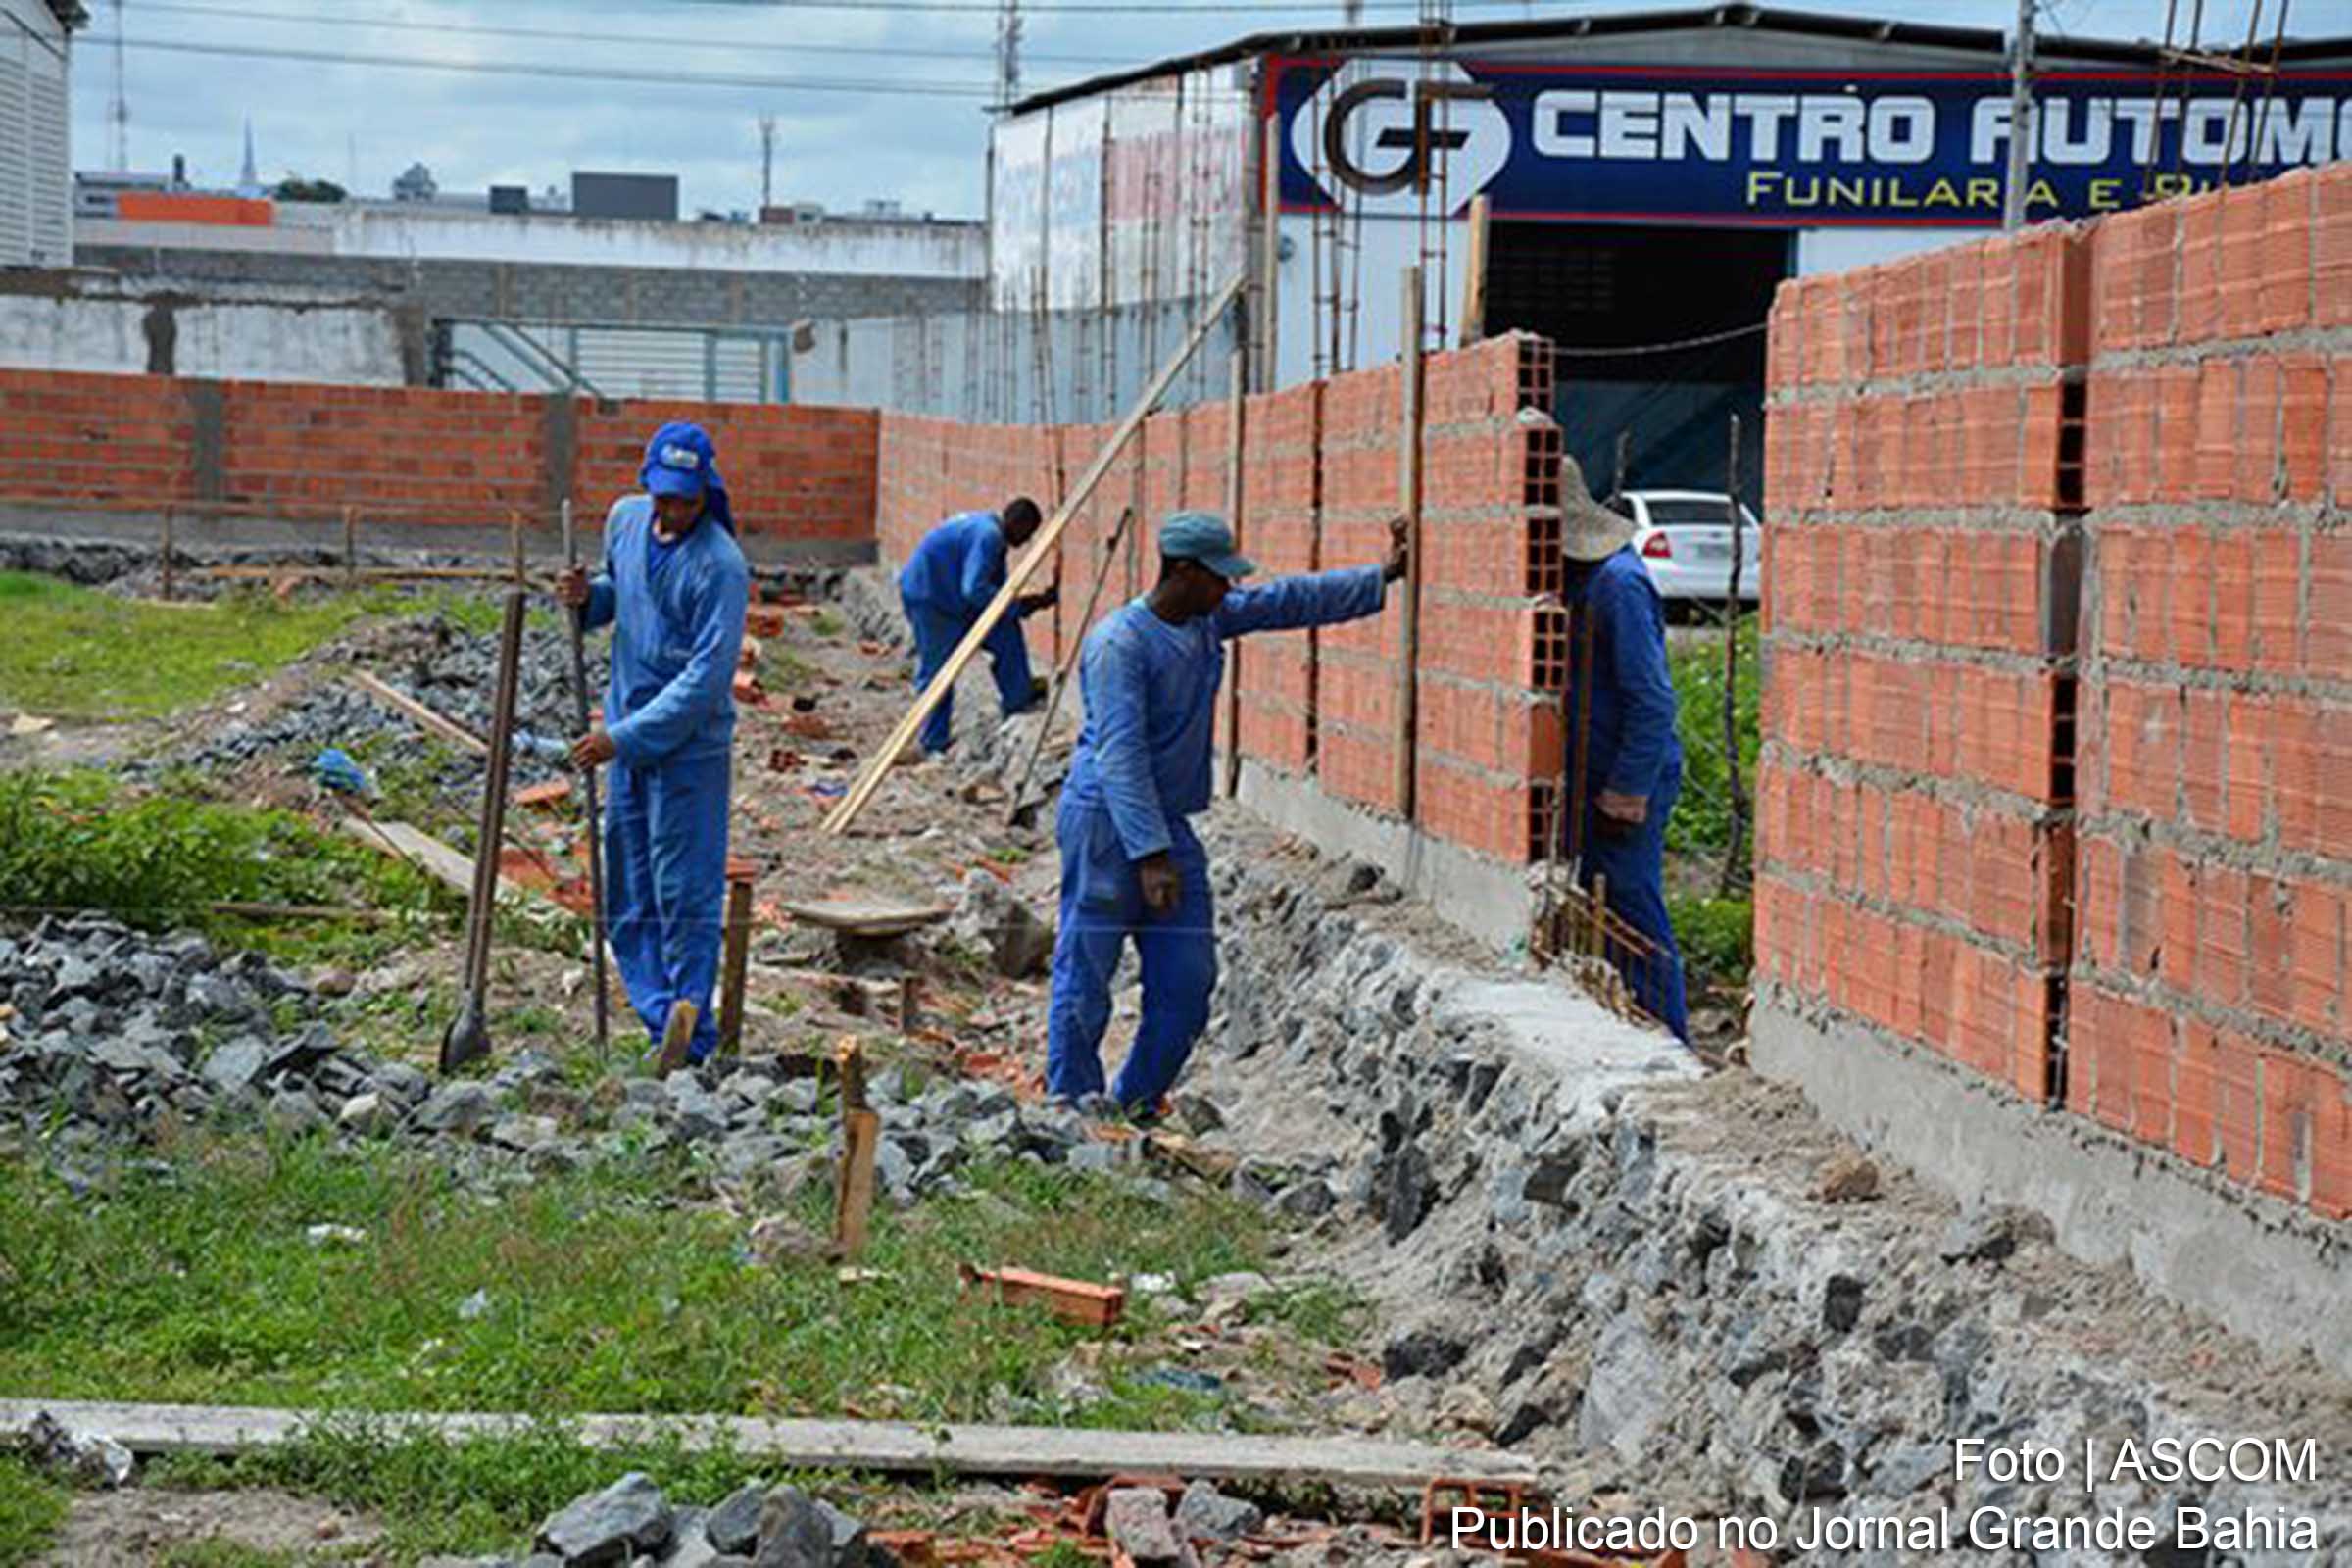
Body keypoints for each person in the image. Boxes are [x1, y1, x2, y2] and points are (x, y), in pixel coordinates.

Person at [1046, 509, 1407, 1116]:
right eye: (1217, 577)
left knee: (1188, 981)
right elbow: (1121, 757)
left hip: (1165, 825)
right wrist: (1151, 855)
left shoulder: (1205, 618)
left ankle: (1133, 1104)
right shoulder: (1120, 644)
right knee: (1087, 972)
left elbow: (1289, 601)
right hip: (1109, 823)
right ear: (1181, 570)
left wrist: (1383, 577)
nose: (1228, 589)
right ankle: (1070, 1106)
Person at [555, 421, 750, 1071]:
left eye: (686, 501)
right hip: (627, 737)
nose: (673, 512)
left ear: (706, 493)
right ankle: (657, 1017)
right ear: (646, 486)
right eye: (664, 497)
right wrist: (587, 602)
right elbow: (624, 599)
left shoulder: (719, 566)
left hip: (686, 752)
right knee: (630, 883)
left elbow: (706, 680)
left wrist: (622, 738)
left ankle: (690, 1034)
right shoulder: (625, 522)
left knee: (685, 888)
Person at [1558, 459, 1689, 1043]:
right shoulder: (1581, 581)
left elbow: (1653, 701)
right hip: (1595, 770)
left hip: (1626, 777)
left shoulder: (1618, 584)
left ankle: (1669, 1041)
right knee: (1601, 911)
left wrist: (1628, 788)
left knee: (1633, 912)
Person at [899, 497, 1058, 756]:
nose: (1026, 541)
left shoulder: (990, 532)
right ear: (1018, 524)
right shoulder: (989, 537)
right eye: (1028, 533)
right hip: (931, 598)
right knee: (939, 672)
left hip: (951, 597)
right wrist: (1017, 607)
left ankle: (1017, 699)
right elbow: (974, 589)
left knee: (1006, 633)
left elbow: (992, 588)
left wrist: (1026, 604)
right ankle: (933, 742)